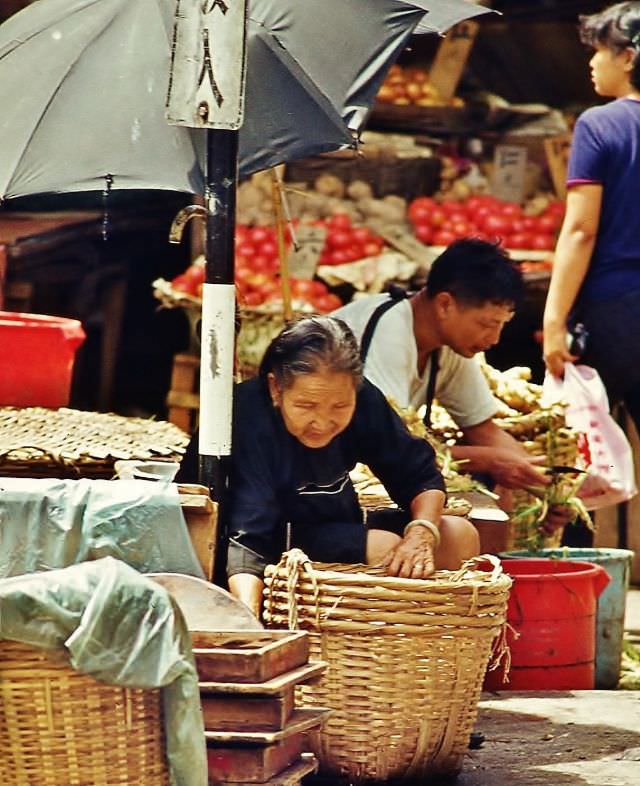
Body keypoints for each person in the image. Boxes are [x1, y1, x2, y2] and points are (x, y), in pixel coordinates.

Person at [179, 316, 479, 616]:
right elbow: (248, 540)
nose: (322, 423)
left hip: (327, 521)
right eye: (306, 406)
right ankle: (362, 644)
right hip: (242, 537)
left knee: (457, 535)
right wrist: (249, 623)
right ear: (275, 389)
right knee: (383, 545)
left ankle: (427, 646)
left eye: (340, 407)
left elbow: (418, 475)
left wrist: (421, 533)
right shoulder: (247, 417)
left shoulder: (363, 398)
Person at [333, 238, 560, 498]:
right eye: (486, 324)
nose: (495, 339)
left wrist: (551, 490)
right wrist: (487, 461)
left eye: (501, 325)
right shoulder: (389, 333)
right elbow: (387, 448)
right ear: (445, 304)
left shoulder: (450, 344)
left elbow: (484, 431)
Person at [543, 2, 640, 432]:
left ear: (628, 57)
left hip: (618, 310)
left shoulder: (599, 125)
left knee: (587, 450)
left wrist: (553, 319)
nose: (591, 62)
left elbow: (581, 230)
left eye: (599, 50)